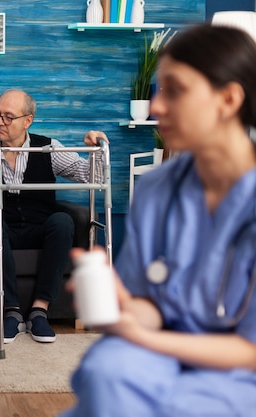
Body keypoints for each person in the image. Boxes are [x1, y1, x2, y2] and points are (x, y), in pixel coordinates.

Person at [60, 24, 256, 417]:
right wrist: (123, 307)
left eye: (174, 90)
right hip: (157, 351)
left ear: (229, 99)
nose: (155, 107)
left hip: (237, 367)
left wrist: (140, 336)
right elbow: (152, 307)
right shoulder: (156, 190)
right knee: (105, 371)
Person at [0, 89, 108, 344]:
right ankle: (11, 312)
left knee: (62, 221)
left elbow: (94, 176)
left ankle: (39, 311)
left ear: (28, 120)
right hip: (2, 230)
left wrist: (96, 148)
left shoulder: (47, 148)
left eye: (8, 117)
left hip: (38, 228)